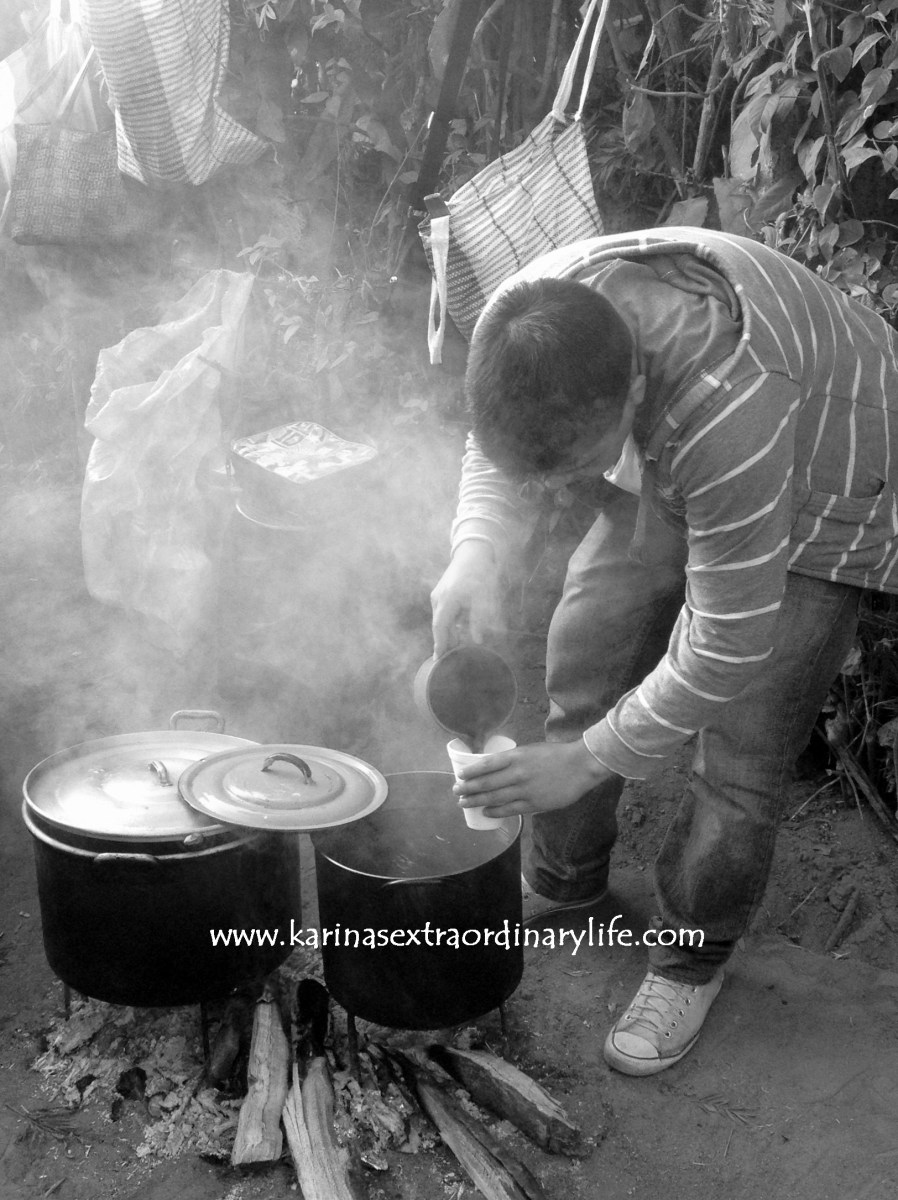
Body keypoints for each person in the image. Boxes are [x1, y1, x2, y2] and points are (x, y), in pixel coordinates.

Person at [429, 226, 898, 1077]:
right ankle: (566, 878)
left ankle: (690, 957)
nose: (551, 492)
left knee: (743, 746)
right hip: (684, 446)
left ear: (634, 391)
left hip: (822, 477)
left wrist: (586, 761)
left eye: (569, 466)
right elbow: (492, 442)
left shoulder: (733, 404)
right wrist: (474, 549)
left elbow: (727, 645)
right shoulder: (529, 314)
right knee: (586, 646)